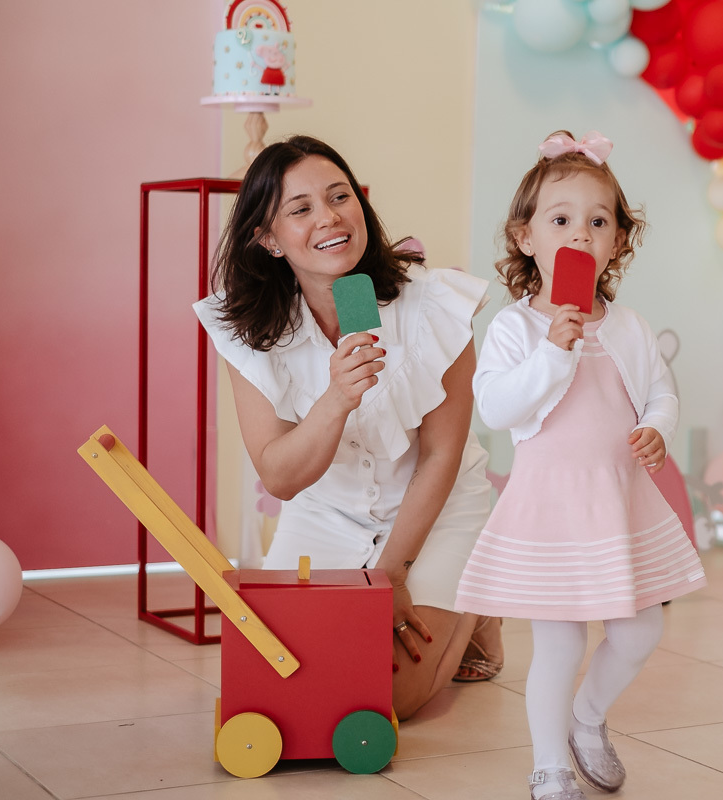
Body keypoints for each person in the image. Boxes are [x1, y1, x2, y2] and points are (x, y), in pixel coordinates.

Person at [193, 134, 502, 720]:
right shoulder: (249, 331)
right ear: (267, 238)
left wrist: (388, 577)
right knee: (279, 673)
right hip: (324, 513)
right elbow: (280, 478)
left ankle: (479, 609)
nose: (330, 217)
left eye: (340, 197)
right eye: (301, 208)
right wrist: (335, 398)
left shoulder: (435, 306)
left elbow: (441, 456)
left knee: (385, 698)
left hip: (433, 513)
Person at [455, 131, 707, 800]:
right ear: (525, 236)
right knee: (559, 644)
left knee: (640, 627)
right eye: (560, 219)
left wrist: (655, 425)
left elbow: (660, 390)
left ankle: (586, 720)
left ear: (619, 241)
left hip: (619, 499)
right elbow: (499, 405)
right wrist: (553, 352)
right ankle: (549, 762)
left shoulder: (628, 326)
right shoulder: (515, 328)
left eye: (598, 222)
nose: (580, 234)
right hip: (552, 506)